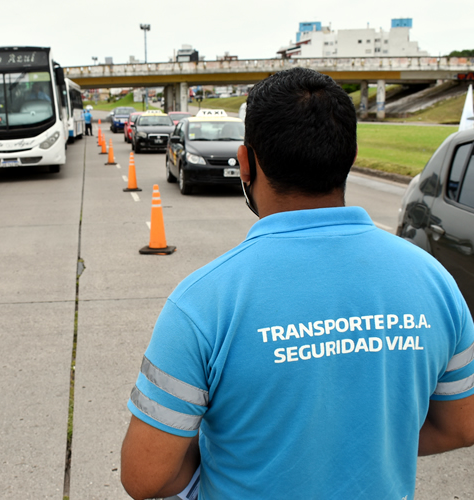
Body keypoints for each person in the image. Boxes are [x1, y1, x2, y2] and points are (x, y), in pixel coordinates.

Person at [120, 67, 474, 500]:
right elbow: (460, 426)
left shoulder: (202, 303)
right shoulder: (435, 282)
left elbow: (145, 476)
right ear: (349, 155)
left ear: (245, 162)